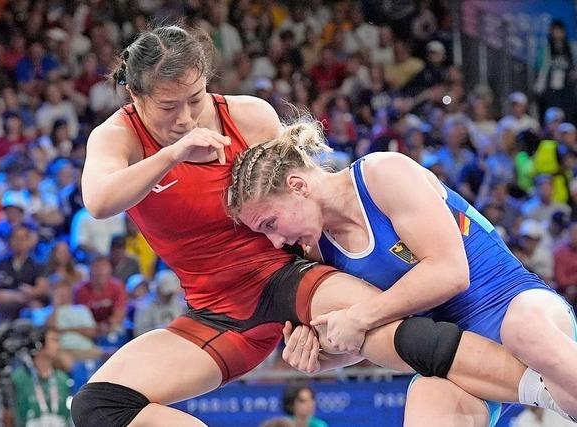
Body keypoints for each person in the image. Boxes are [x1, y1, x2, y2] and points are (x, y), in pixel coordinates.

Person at [71, 25, 568, 427]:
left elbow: (289, 190)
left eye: (195, 99)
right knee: (97, 406)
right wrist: (174, 154)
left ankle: (551, 390)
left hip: (288, 275)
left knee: (380, 327)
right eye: (167, 107)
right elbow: (98, 201)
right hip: (216, 309)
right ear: (134, 97)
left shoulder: (249, 115)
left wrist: (331, 313)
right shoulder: (117, 138)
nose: (184, 118)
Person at [227, 120, 577, 425]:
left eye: (271, 223)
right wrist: (323, 356)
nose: (275, 242)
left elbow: (450, 272)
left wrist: (359, 317)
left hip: (512, 301)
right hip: (455, 355)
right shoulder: (318, 250)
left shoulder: (382, 173)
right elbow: (366, 340)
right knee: (427, 406)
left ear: (298, 186)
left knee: (524, 331)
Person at [7, 327, 72, 427]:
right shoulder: (18, 378)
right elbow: (9, 416)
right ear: (39, 343)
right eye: (54, 340)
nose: (58, 346)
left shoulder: (62, 379)